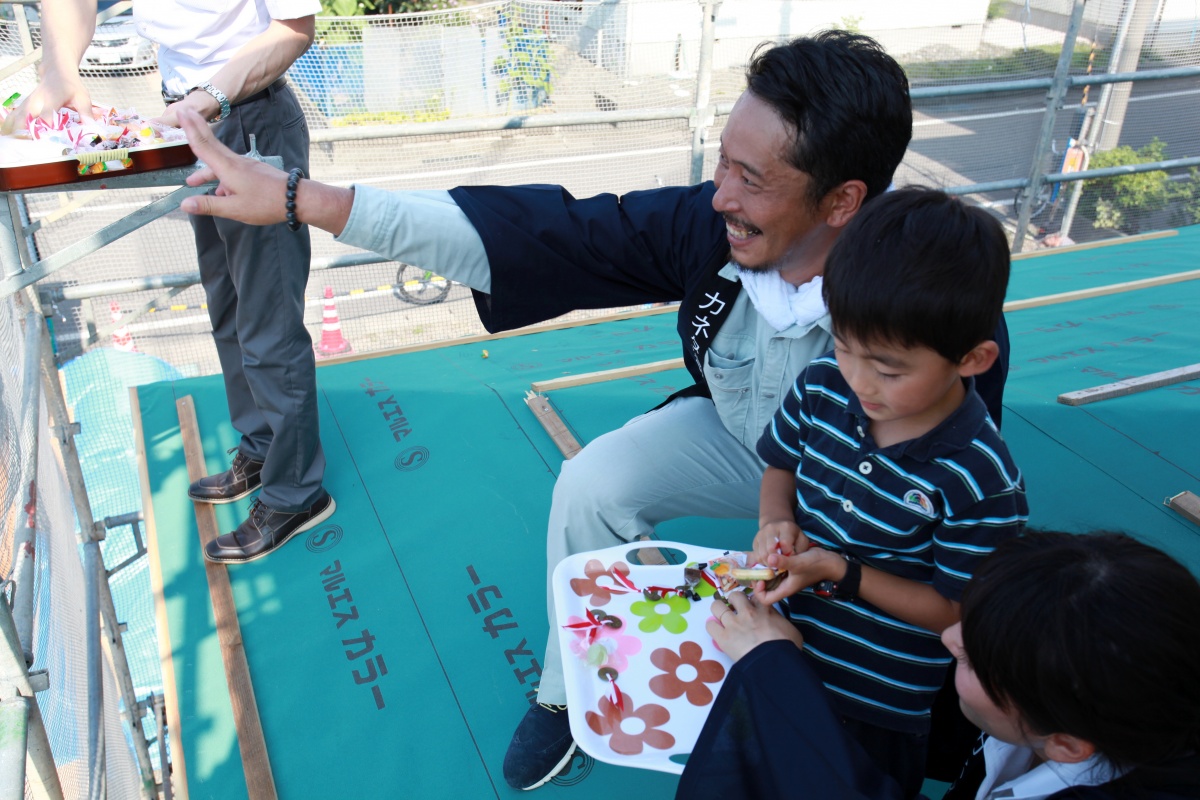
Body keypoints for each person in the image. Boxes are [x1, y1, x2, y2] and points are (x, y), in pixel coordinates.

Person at [170, 31, 1009, 788]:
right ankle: (567, 692)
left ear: (842, 201)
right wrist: (299, 199)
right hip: (758, 444)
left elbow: (931, 509)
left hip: (854, 488)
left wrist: (840, 568)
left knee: (855, 647)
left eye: (751, 180)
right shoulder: (710, 228)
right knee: (593, 480)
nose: (718, 196)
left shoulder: (928, 311)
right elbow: (545, 233)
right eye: (722, 161)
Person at [11, 0, 334, 562]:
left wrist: (199, 105)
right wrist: (60, 71)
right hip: (196, 119)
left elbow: (293, 29)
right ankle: (262, 449)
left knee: (268, 318)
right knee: (229, 306)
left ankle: (297, 492)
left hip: (248, 117)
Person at [744, 187, 1028, 797]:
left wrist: (843, 572)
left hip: (874, 702)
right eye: (844, 346)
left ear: (973, 359)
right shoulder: (824, 386)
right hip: (777, 648)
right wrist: (774, 522)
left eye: (890, 369)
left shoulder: (979, 477)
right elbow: (781, 466)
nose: (860, 381)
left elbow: (956, 612)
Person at [678, 530, 1200, 800]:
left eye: (972, 656)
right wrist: (842, 571)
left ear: (1066, 745)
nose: (949, 637)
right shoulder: (1091, 699)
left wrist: (773, 670)